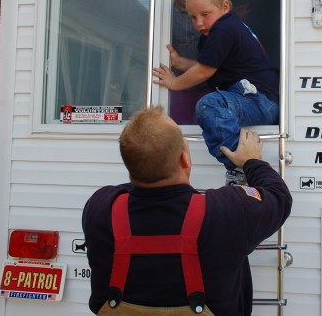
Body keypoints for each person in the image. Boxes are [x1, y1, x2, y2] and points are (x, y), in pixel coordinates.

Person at [82, 106, 292, 315]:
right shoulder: (224, 213)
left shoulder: (101, 208)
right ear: (185, 159)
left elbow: (136, 185)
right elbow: (278, 195)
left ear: (129, 165)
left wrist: (145, 162)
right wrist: (251, 161)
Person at [153, 0, 279, 185]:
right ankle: (240, 161)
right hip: (255, 99)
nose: (199, 23)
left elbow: (203, 72)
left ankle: (241, 165)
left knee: (209, 104)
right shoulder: (222, 29)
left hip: (259, 100)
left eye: (205, 14)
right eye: (192, 17)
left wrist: (174, 83)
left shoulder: (225, 28)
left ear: (225, 7)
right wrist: (181, 62)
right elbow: (208, 65)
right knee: (213, 102)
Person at [169, 0, 209, 125]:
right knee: (178, 127)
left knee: (205, 125)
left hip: (205, 84)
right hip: (177, 86)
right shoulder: (167, 13)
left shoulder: (207, 14)